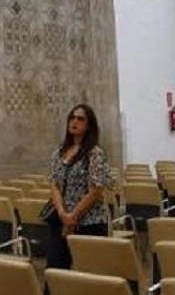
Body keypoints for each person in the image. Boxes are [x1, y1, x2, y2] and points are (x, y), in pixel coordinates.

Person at [46, 103, 114, 271]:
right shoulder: (59, 152)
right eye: (72, 118)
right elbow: (54, 184)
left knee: (89, 275)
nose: (74, 121)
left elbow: (96, 190)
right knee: (56, 271)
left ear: (89, 125)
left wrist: (73, 217)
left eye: (80, 118)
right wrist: (63, 214)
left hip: (89, 222)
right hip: (62, 220)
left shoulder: (95, 153)